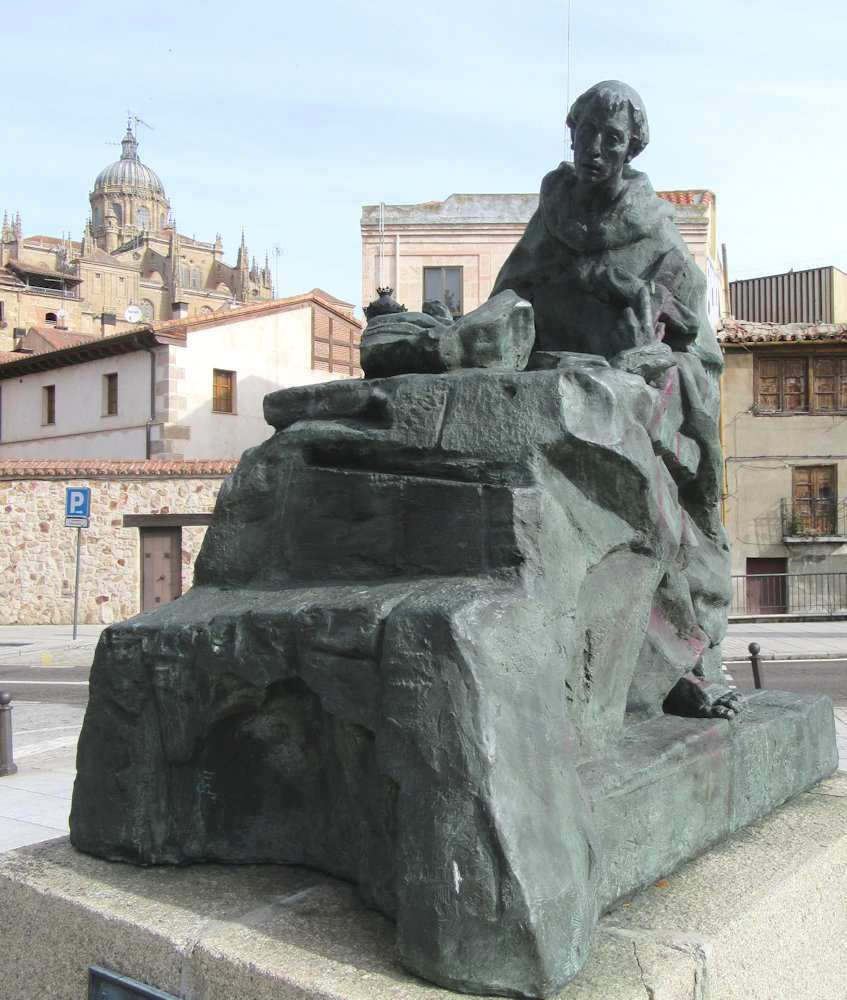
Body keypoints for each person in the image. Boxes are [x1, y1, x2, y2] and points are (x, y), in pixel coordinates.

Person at [493, 80, 741, 719]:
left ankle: (681, 662)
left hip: (640, 389)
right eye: (586, 135)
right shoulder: (551, 216)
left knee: (643, 488)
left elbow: (700, 351)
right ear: (570, 135)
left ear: (631, 149)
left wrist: (657, 350)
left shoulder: (656, 235)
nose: (595, 150)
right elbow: (509, 297)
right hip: (558, 375)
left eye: (612, 139)